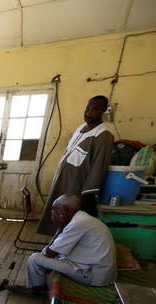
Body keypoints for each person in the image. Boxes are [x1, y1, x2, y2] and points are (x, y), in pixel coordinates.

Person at [36, 95, 114, 235]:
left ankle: (63, 249)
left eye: (95, 109)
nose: (89, 112)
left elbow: (98, 168)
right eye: (87, 108)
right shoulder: (80, 129)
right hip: (63, 182)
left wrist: (86, 196)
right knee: (58, 217)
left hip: (76, 189)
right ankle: (57, 245)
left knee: (69, 221)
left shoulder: (104, 135)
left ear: (103, 111)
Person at [16, 194, 116, 294]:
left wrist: (60, 227)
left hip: (93, 275)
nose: (53, 214)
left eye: (55, 210)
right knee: (58, 255)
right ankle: (38, 285)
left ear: (65, 209)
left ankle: (36, 289)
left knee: (34, 259)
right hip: (101, 272)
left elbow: (49, 253)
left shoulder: (77, 224)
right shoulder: (83, 218)